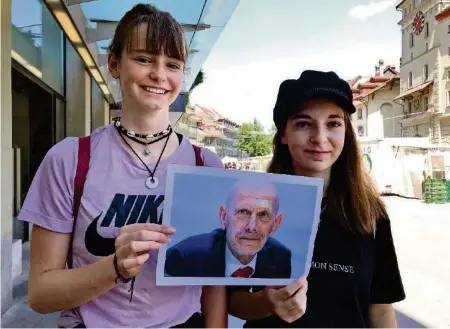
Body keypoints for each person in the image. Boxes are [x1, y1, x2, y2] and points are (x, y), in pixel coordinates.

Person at [16, 4, 227, 328]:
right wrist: (114, 267)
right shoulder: (70, 160)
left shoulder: (207, 166)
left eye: (172, 64)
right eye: (144, 59)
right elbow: (40, 294)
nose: (159, 74)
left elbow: (213, 285)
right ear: (114, 64)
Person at [227, 70, 406, 327]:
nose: (319, 138)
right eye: (303, 123)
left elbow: (380, 307)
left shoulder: (370, 214)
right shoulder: (252, 205)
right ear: (284, 135)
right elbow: (232, 298)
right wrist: (267, 303)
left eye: (333, 123)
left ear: (346, 133)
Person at [164, 180, 291, 279]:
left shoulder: (280, 257)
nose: (252, 227)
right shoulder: (183, 257)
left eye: (263, 215)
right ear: (224, 217)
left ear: (275, 224)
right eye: (243, 212)